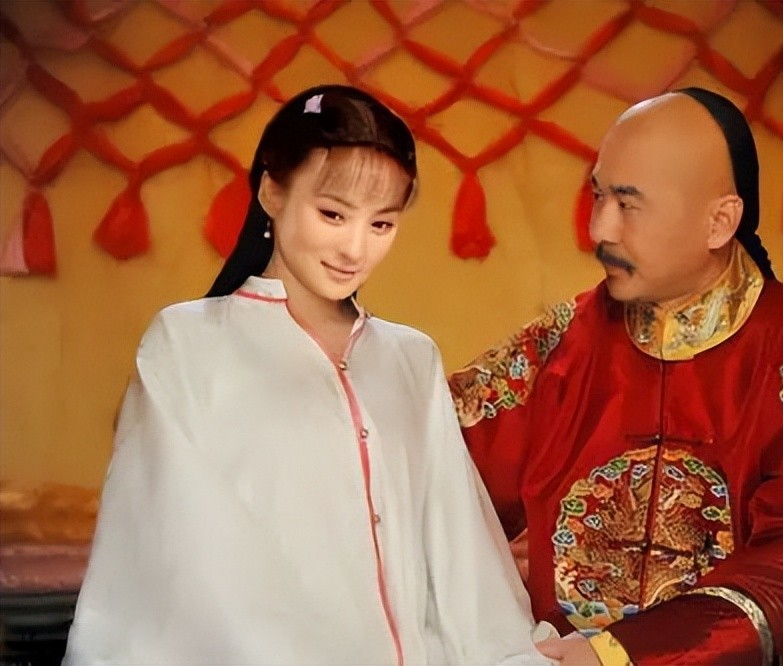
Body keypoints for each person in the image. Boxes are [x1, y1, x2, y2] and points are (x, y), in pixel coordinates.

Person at [64, 85, 550, 665]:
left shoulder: (410, 359)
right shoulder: (188, 345)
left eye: (382, 224)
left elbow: (457, 554)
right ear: (272, 191)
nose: (354, 249)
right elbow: (167, 557)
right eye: (333, 214)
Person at [448, 87, 783, 666]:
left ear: (720, 221)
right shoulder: (565, 342)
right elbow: (430, 460)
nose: (600, 229)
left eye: (628, 204)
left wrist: (623, 654)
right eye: (598, 196)